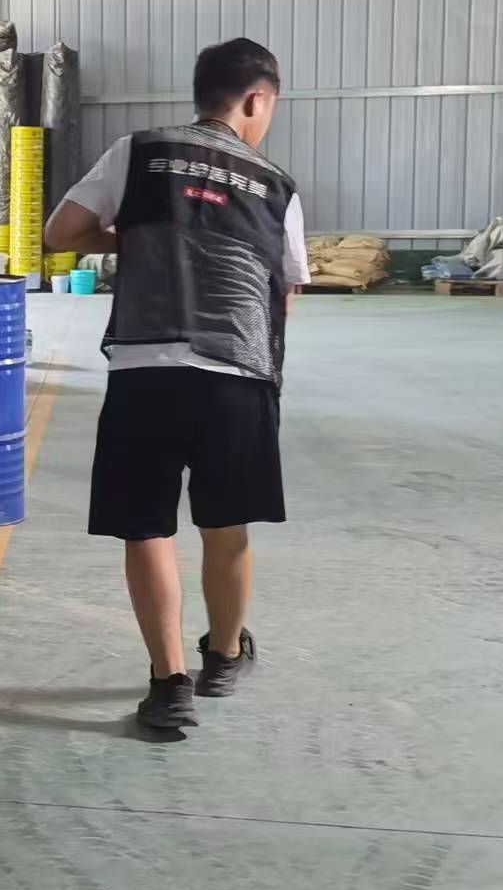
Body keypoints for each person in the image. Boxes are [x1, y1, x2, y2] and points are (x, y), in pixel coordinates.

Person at [41, 38, 305, 732]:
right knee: (226, 526)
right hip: (236, 375)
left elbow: (61, 232)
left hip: (144, 368)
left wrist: (136, 234)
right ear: (258, 100)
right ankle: (224, 656)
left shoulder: (137, 152)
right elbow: (283, 294)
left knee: (147, 528)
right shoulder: (276, 186)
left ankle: (168, 685)